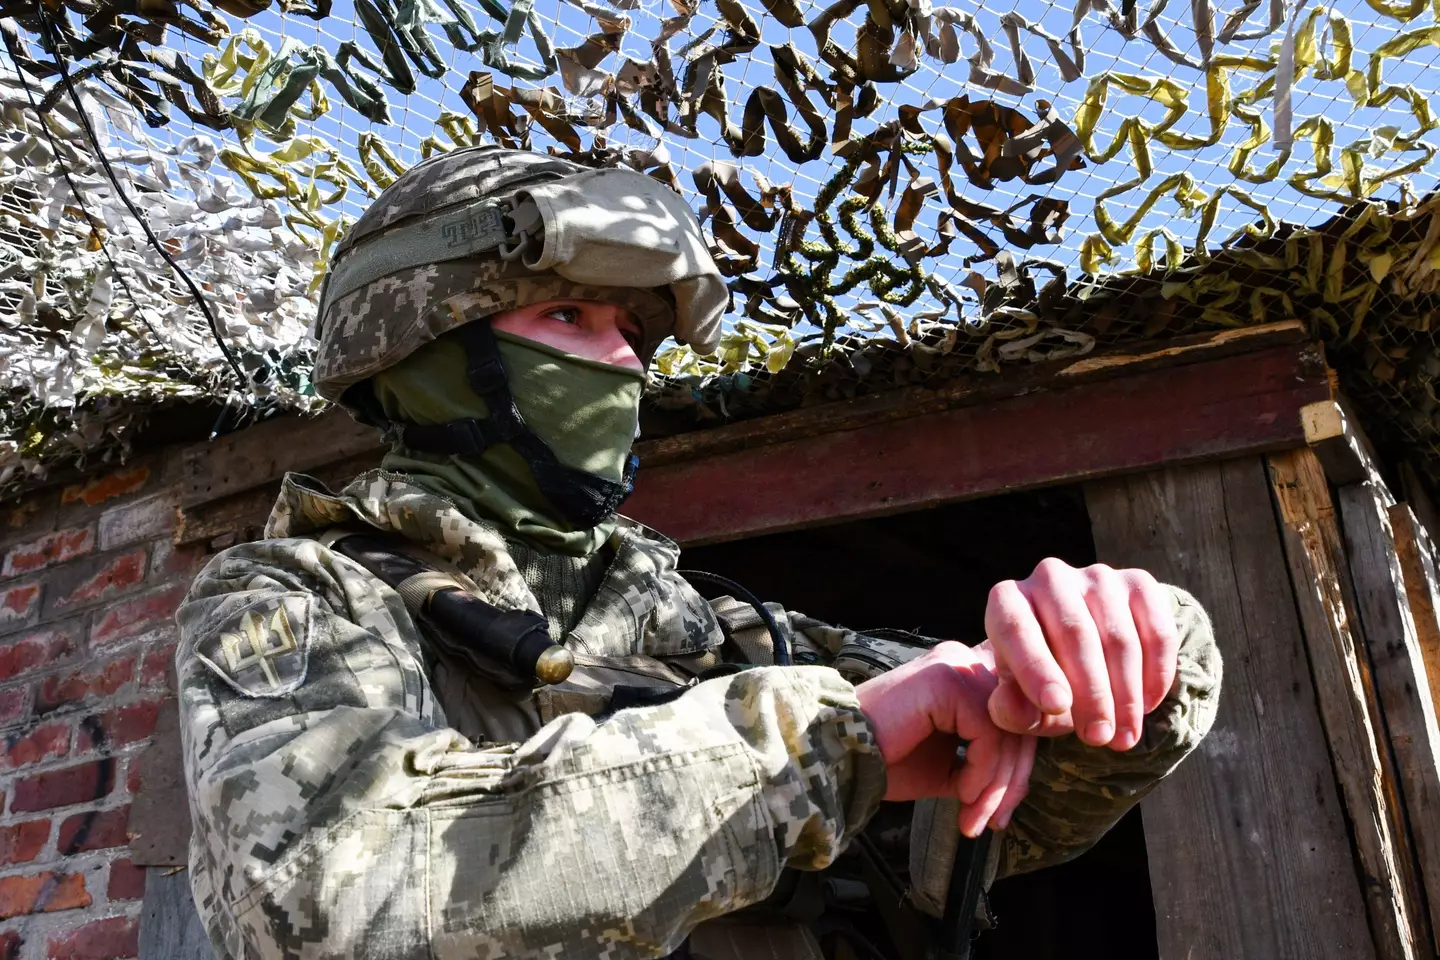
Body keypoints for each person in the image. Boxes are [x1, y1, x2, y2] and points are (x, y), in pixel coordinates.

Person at [174, 145, 1222, 960]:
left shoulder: (708, 628)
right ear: (420, 353)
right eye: (571, 314)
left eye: (636, 335)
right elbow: (324, 900)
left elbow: (998, 797)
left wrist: (1122, 654)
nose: (624, 363)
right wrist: (824, 747)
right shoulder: (306, 598)